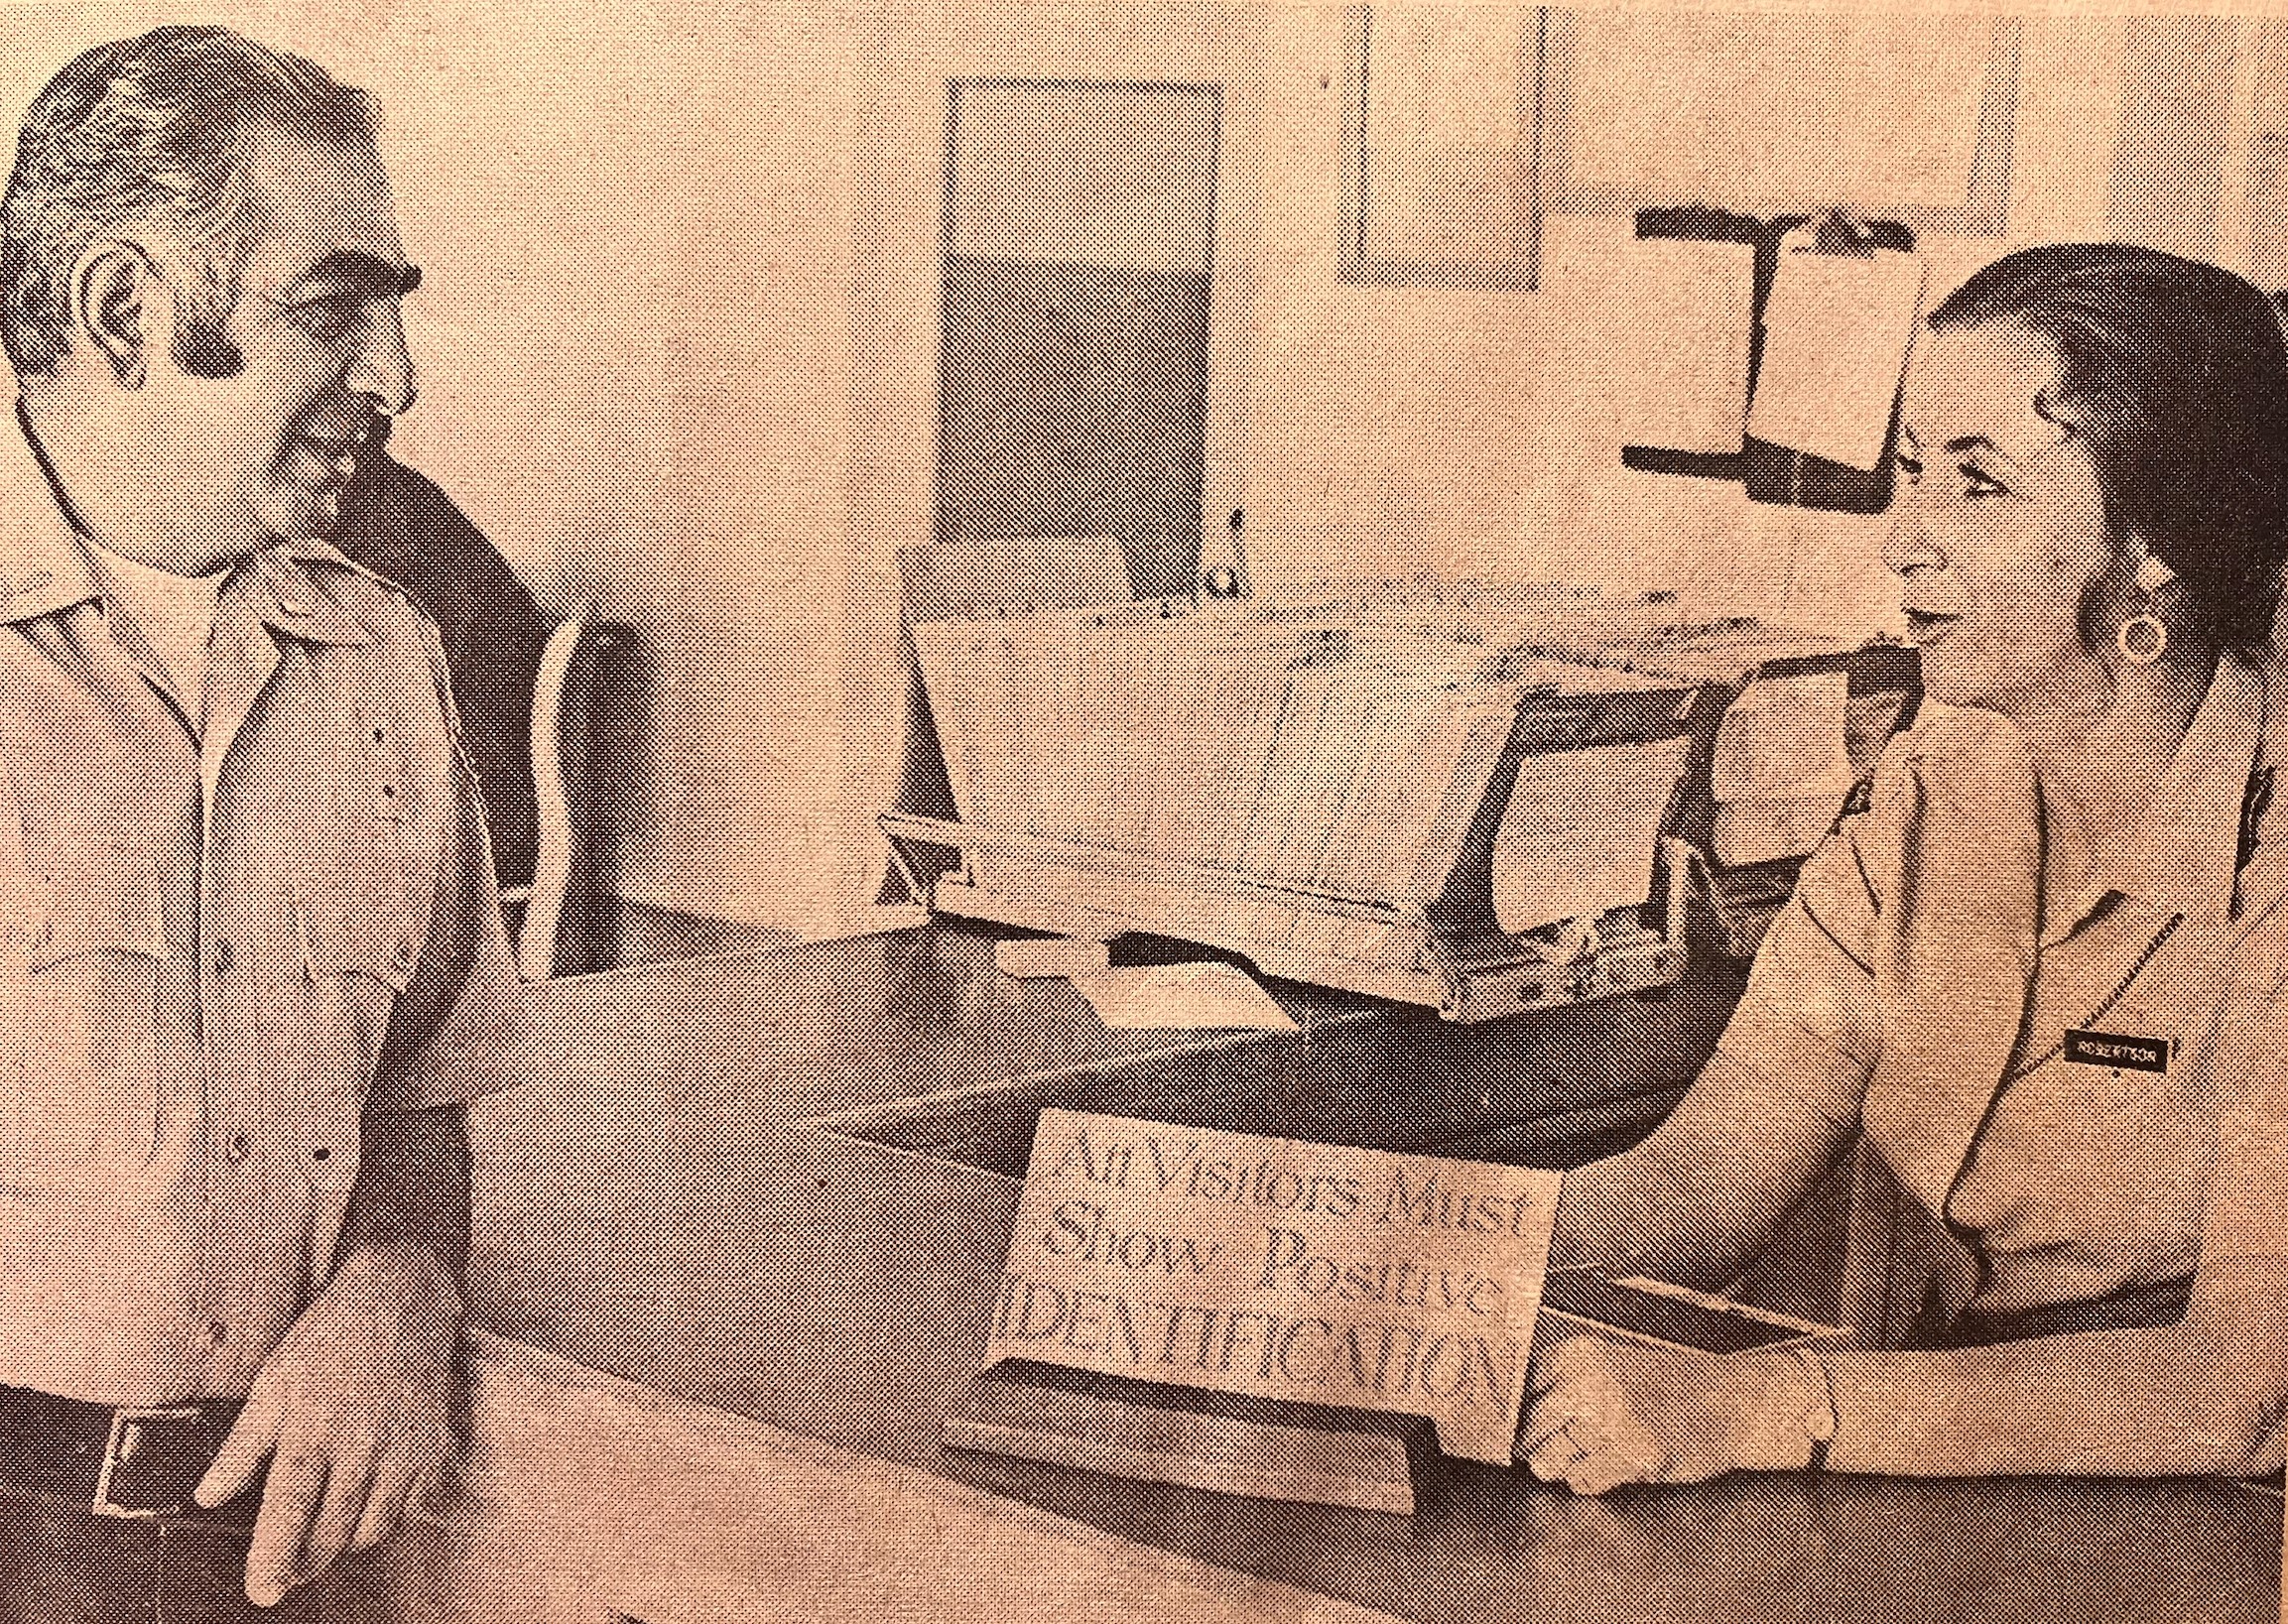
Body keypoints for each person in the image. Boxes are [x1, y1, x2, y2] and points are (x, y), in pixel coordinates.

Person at [1523, 243, 2288, 1492]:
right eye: (1912, 470)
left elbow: (2233, 1395)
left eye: (1978, 486)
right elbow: (1697, 1184)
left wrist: (1757, 1405)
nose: (1903, 541)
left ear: (2152, 543)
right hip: (1964, 1490)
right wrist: (1384, 1240)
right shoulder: (1930, 792)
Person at [0, 24, 521, 1615]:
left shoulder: (384, 651)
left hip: (303, 1554)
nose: (396, 381)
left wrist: (399, 1279)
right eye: (330, 308)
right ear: (122, 309)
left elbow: (423, 1088)